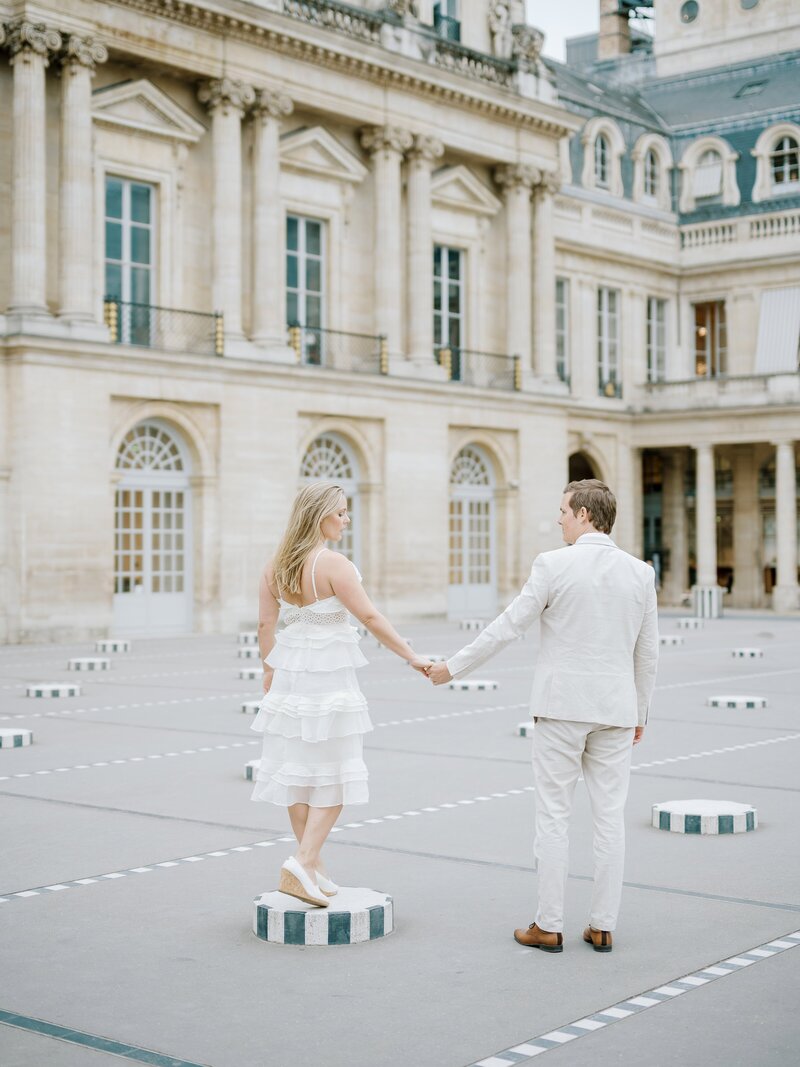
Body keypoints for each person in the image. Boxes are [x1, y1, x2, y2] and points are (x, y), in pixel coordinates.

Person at [428, 479, 658, 952]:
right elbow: (647, 653)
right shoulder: (641, 573)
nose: (558, 519)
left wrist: (452, 668)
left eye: (563, 511)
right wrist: (641, 713)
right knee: (609, 819)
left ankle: (548, 925)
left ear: (585, 516)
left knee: (553, 816)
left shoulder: (553, 565)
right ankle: (602, 924)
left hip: (561, 708)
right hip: (616, 709)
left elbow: (507, 626)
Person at [252, 482, 431, 908]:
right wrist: (411, 656)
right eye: (341, 513)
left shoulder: (274, 567)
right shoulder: (333, 565)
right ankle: (302, 860)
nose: (346, 520)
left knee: (298, 772)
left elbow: (264, 627)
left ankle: (312, 868)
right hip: (327, 678)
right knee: (336, 773)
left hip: (291, 675)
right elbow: (369, 615)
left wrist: (267, 670)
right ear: (319, 516)